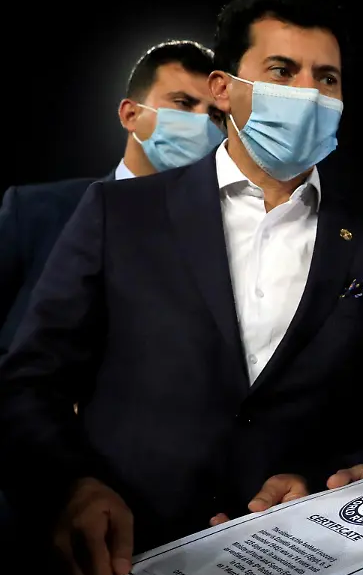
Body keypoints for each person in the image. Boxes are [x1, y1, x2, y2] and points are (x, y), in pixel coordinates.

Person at [0, 0, 363, 575]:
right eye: (282, 71)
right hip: (118, 574)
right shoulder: (120, 213)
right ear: (223, 88)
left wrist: (322, 481)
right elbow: (32, 380)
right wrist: (70, 486)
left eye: (327, 78)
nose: (308, 93)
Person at [0, 40, 224, 357]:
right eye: (184, 103)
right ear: (130, 114)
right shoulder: (36, 212)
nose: (202, 124)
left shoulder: (223, 235)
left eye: (214, 115)